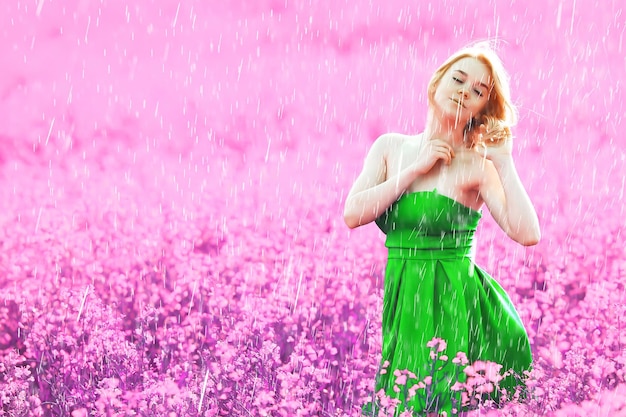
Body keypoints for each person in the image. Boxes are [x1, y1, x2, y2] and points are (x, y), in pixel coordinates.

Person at [343, 42, 541, 416]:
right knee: (403, 398)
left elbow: (528, 233)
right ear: (437, 82)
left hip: (455, 303)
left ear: (484, 109)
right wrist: (416, 168)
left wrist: (505, 164)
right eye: (459, 79)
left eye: (479, 91)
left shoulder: (476, 167)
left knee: (432, 400)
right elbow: (353, 214)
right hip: (405, 298)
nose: (465, 91)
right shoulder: (390, 148)